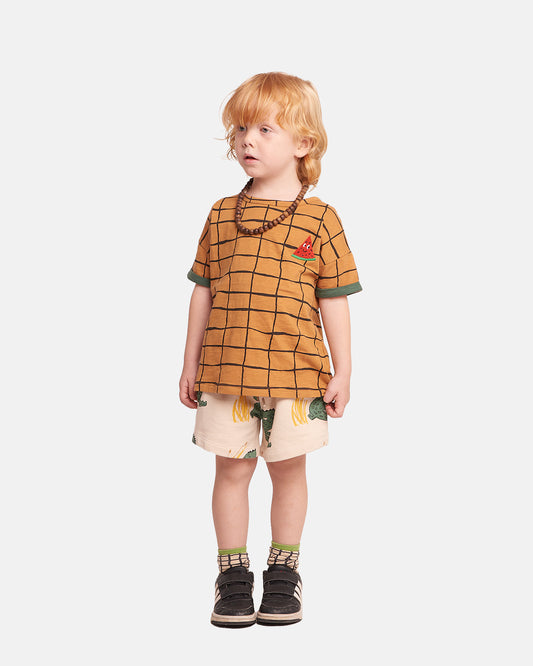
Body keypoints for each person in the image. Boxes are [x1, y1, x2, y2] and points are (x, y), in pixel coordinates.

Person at [179, 72, 362, 627]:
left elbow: (333, 299)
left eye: (264, 129)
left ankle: (283, 572)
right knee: (231, 473)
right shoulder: (221, 213)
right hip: (225, 373)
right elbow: (203, 291)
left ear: (303, 143)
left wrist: (343, 371)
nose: (247, 141)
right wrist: (189, 364)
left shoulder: (320, 218)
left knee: (288, 471)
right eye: (240, 129)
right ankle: (232, 576)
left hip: (297, 375)